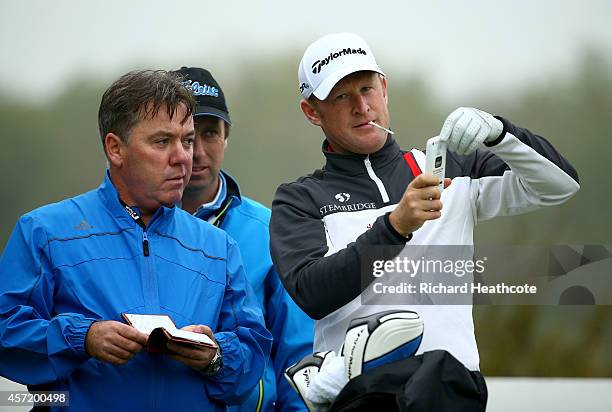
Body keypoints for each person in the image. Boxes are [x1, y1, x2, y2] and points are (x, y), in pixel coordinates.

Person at [269, 33, 580, 409]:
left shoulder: (454, 168)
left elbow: (560, 184)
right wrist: (394, 226)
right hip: (364, 398)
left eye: (367, 88)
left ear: (384, 89)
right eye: (341, 96)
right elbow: (313, 294)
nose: (361, 106)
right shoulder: (300, 198)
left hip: (452, 388)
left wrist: (501, 133)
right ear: (312, 112)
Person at [0, 70, 272, 411]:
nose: (183, 157)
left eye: (186, 141)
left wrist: (214, 356)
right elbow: (4, 331)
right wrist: (82, 338)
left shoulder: (218, 247)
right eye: (162, 142)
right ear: (115, 148)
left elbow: (253, 354)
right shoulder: (45, 232)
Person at [175, 66, 314, 412]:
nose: (198, 152)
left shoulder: (269, 229)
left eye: (210, 133)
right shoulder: (134, 226)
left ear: (227, 136)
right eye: (188, 136)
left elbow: (298, 353)